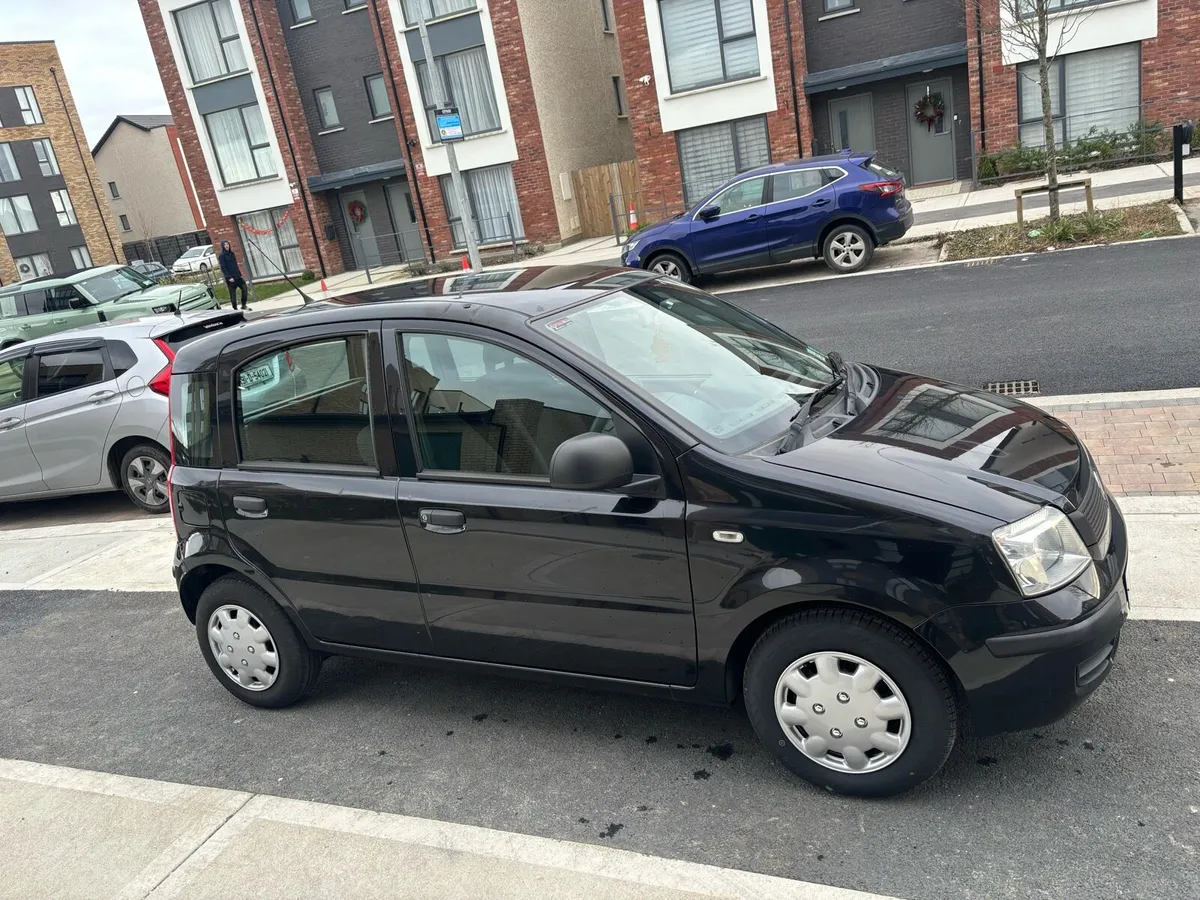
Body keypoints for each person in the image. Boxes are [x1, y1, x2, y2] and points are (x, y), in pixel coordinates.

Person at [217, 240, 250, 310]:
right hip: (230, 278)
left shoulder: (232, 253)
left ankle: (243, 305)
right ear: (223, 246)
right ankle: (235, 308)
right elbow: (223, 267)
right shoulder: (222, 256)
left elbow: (235, 265)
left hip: (237, 276)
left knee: (244, 288)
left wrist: (239, 274)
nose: (226, 245)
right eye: (225, 244)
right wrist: (229, 277)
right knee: (233, 294)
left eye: (227, 244)